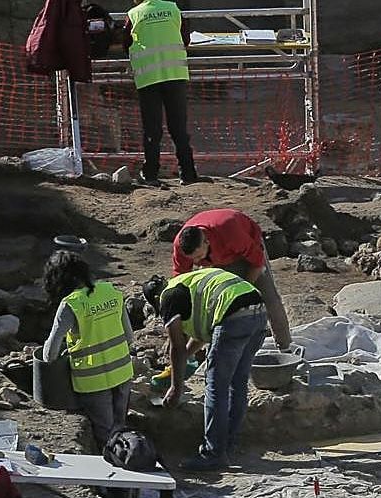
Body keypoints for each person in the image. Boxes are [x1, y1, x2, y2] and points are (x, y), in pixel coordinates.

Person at [157, 267, 266, 471]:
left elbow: (176, 346)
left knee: (216, 386)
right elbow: (199, 336)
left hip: (233, 315)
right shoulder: (188, 286)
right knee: (238, 382)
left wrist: (176, 388)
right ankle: (229, 443)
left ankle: (213, 453)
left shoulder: (167, 297)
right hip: (258, 309)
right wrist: (182, 362)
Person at [41, 251, 135, 453]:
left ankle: (113, 480)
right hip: (122, 374)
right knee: (120, 429)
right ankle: (132, 464)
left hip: (94, 382)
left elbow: (49, 355)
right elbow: (129, 337)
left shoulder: (71, 304)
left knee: (106, 436)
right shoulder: (110, 291)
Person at [172, 209, 292, 351]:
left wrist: (244, 292)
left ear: (206, 241)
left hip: (246, 252)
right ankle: (186, 356)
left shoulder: (230, 232)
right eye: (193, 259)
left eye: (198, 257)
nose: (197, 262)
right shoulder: (181, 246)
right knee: (209, 308)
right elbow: (181, 280)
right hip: (216, 258)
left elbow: (257, 261)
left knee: (268, 297)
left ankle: (285, 348)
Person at [123, 0, 200, 185]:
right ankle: (188, 174)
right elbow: (185, 39)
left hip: (148, 78)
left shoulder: (134, 14)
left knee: (152, 129)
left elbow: (126, 43)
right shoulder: (173, 9)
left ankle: (150, 175)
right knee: (179, 128)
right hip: (175, 74)